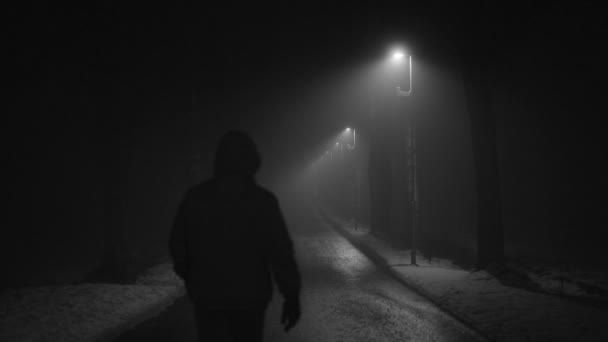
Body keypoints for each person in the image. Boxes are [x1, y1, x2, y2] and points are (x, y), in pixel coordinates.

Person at [169, 130, 301, 342]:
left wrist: (193, 278)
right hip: (251, 298)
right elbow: (280, 253)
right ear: (252, 162)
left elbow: (178, 244)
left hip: (209, 297)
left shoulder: (196, 198)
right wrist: (291, 295)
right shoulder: (263, 202)